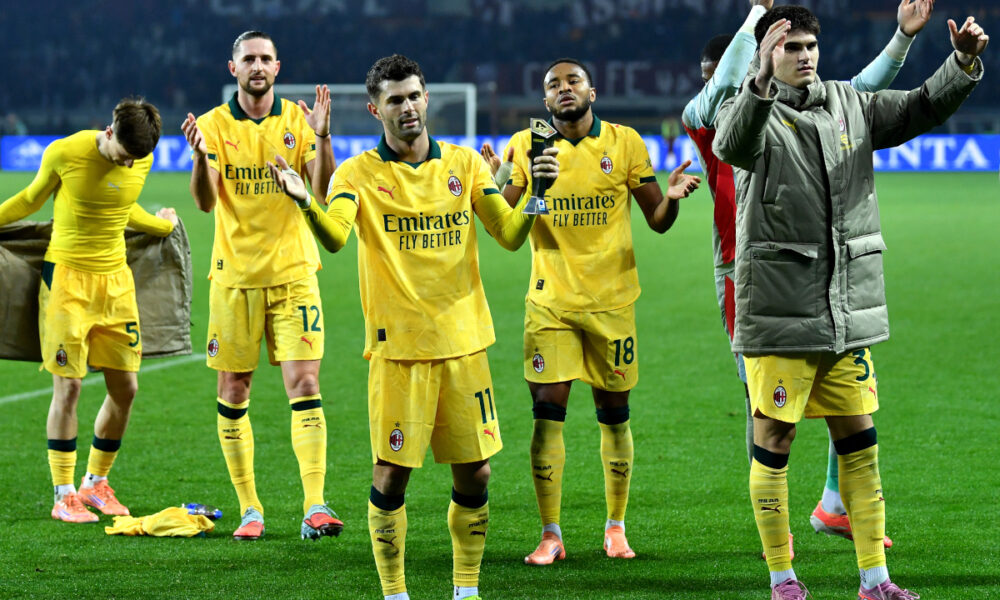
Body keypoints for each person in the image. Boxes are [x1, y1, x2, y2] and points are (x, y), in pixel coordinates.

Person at [713, 6, 986, 599]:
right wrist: (758, 79)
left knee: (859, 441)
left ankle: (875, 581)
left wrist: (961, 62)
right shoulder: (748, 108)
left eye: (811, 44)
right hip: (780, 312)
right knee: (774, 441)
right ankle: (782, 577)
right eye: (792, 48)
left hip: (845, 310)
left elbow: (918, 107)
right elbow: (733, 146)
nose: (806, 55)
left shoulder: (850, 103)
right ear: (767, 56)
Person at [268, 53, 558, 600]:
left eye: (414, 95)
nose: (407, 107)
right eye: (395, 99)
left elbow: (510, 234)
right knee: (390, 476)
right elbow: (334, 237)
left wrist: (539, 195)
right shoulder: (357, 173)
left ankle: (465, 590)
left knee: (476, 475)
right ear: (375, 108)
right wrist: (306, 200)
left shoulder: (467, 166)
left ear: (427, 99)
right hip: (398, 351)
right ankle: (396, 592)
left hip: (464, 345)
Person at [683, 0, 934, 552]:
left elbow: (861, 88)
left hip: (813, 265)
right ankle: (775, 525)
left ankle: (831, 501)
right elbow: (730, 79)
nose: (719, 80)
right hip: (744, 268)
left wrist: (900, 38)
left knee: (838, 401)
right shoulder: (712, 110)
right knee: (769, 408)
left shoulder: (803, 99)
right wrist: (753, 24)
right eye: (786, 47)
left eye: (805, 48)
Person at [481, 58, 701, 565]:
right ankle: (551, 533)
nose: (563, 89)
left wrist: (670, 198)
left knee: (614, 418)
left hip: (612, 303)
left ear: (592, 92)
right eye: (553, 85)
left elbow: (657, 220)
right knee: (546, 419)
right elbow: (506, 230)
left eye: (572, 81)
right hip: (551, 304)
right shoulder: (527, 143)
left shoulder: (625, 142)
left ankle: (615, 526)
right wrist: (502, 184)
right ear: (545, 101)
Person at [180, 30, 339, 541]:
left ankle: (315, 505)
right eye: (248, 58)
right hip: (235, 279)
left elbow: (323, 190)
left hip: (294, 274)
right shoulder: (212, 126)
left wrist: (323, 137)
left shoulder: (298, 120)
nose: (258, 66)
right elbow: (205, 203)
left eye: (266, 58)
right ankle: (251, 508)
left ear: (277, 66)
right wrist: (199, 158)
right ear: (233, 68)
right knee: (233, 388)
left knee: (306, 385)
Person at [0, 97, 177, 523]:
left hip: (116, 285)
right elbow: (29, 199)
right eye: (124, 156)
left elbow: (122, 205)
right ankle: (63, 494)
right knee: (70, 388)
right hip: (67, 283)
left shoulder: (138, 158)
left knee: (126, 389)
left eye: (138, 159)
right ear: (109, 131)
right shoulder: (65, 152)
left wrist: (161, 225)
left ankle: (95, 483)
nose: (129, 165)